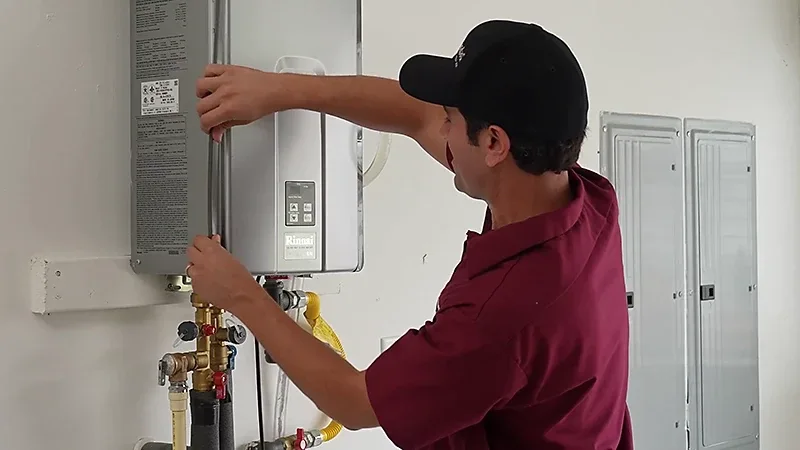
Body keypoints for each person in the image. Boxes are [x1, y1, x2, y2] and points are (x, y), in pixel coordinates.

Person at [186, 19, 634, 450]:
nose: (440, 130)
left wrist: (241, 294)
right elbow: (415, 116)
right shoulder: (586, 199)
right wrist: (279, 90)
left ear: (496, 144)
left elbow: (356, 402)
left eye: (451, 121)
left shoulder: (503, 316)